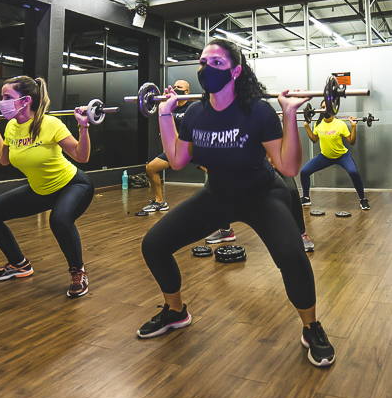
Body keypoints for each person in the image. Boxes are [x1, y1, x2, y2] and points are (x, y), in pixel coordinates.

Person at [137, 38, 334, 367]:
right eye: (203, 62)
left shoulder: (257, 111)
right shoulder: (196, 113)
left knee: (292, 256)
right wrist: (165, 115)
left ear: (236, 71)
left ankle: (311, 326)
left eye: (215, 64)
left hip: (262, 193)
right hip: (218, 195)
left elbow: (287, 168)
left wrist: (288, 114)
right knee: (153, 244)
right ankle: (175, 311)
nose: (205, 69)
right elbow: (176, 160)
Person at [0, 76, 95, 298]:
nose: (2, 102)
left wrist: (83, 125)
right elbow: (3, 159)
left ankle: (78, 271)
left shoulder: (51, 124)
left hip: (72, 185)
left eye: (7, 97)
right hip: (40, 190)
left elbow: (82, 156)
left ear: (25, 100)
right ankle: (19, 264)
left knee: (59, 220)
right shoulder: (11, 126)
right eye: (2, 97)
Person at [299, 101, 370, 211]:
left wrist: (353, 126)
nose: (324, 109)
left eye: (327, 107)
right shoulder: (318, 124)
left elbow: (351, 142)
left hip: (342, 156)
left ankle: (363, 199)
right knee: (304, 171)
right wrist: (306, 126)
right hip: (325, 157)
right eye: (322, 107)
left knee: (353, 172)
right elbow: (314, 140)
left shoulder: (340, 124)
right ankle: (306, 198)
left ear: (333, 109)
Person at [141, 80, 194, 214]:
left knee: (214, 174)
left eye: (180, 87)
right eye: (174, 86)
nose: (176, 89)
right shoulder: (170, 106)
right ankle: (160, 202)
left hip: (194, 148)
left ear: (187, 92)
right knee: (151, 168)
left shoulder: (194, 107)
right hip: (176, 150)